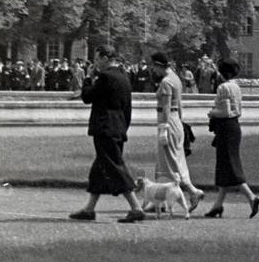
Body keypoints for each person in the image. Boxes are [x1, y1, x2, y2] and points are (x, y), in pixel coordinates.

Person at [69, 46, 145, 223]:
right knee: (100, 168)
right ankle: (89, 209)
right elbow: (127, 107)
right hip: (118, 126)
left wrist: (87, 78)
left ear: (105, 58)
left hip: (105, 128)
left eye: (97, 59)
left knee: (114, 165)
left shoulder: (105, 77)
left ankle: (136, 207)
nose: (95, 63)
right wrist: (123, 127)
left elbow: (87, 97)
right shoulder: (124, 77)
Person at [203, 58, 259, 219]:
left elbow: (225, 112)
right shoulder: (236, 87)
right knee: (225, 166)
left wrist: (211, 113)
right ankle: (218, 205)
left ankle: (252, 197)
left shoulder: (223, 87)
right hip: (234, 127)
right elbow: (236, 111)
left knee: (230, 166)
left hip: (226, 128)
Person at [149, 52, 205, 212]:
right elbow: (179, 105)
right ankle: (160, 199)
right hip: (175, 121)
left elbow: (166, 106)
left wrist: (164, 129)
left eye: (154, 66)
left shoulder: (166, 82)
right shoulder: (176, 79)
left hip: (167, 121)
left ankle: (191, 192)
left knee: (168, 163)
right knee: (171, 161)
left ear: (159, 65)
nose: (153, 70)